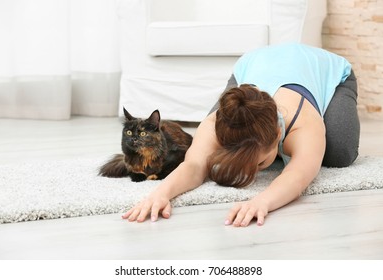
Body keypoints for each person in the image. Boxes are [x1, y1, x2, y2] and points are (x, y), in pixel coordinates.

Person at [122, 43, 360, 227]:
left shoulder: (304, 122)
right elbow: (194, 164)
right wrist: (161, 194)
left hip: (324, 68)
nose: (256, 172)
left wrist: (262, 201)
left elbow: (299, 175)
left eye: (261, 162)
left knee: (337, 153)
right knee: (208, 153)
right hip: (255, 62)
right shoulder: (219, 121)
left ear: (278, 133)